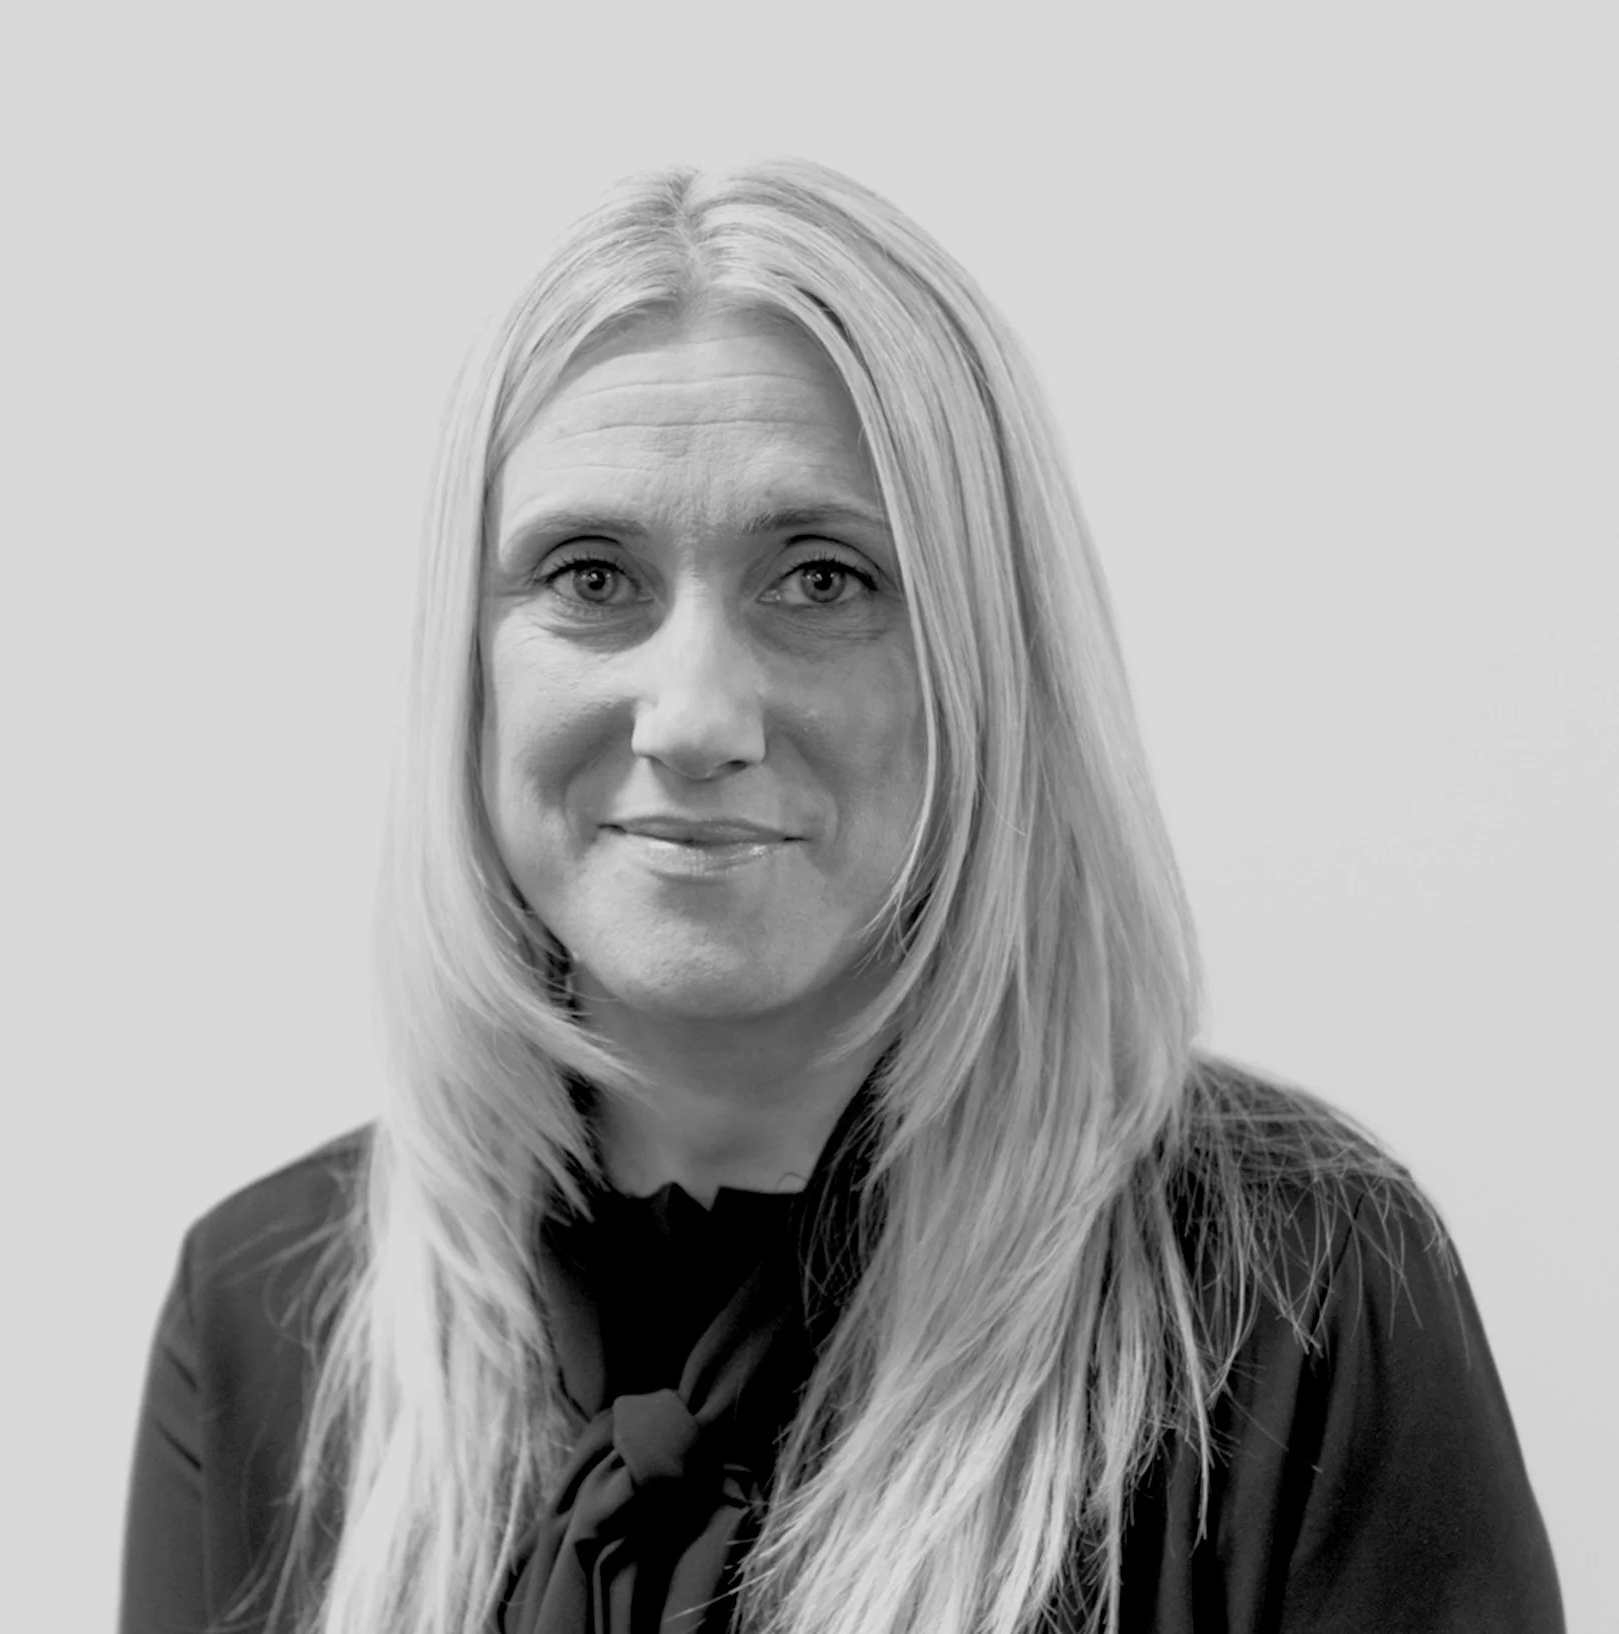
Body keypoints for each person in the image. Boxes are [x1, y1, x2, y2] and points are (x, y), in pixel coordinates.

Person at [119, 158, 1563, 1634]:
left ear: (987, 661)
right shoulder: (261, 1315)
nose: (693, 718)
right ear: (469, 665)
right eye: (590, 576)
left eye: (821, 578)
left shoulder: (1291, 1289)